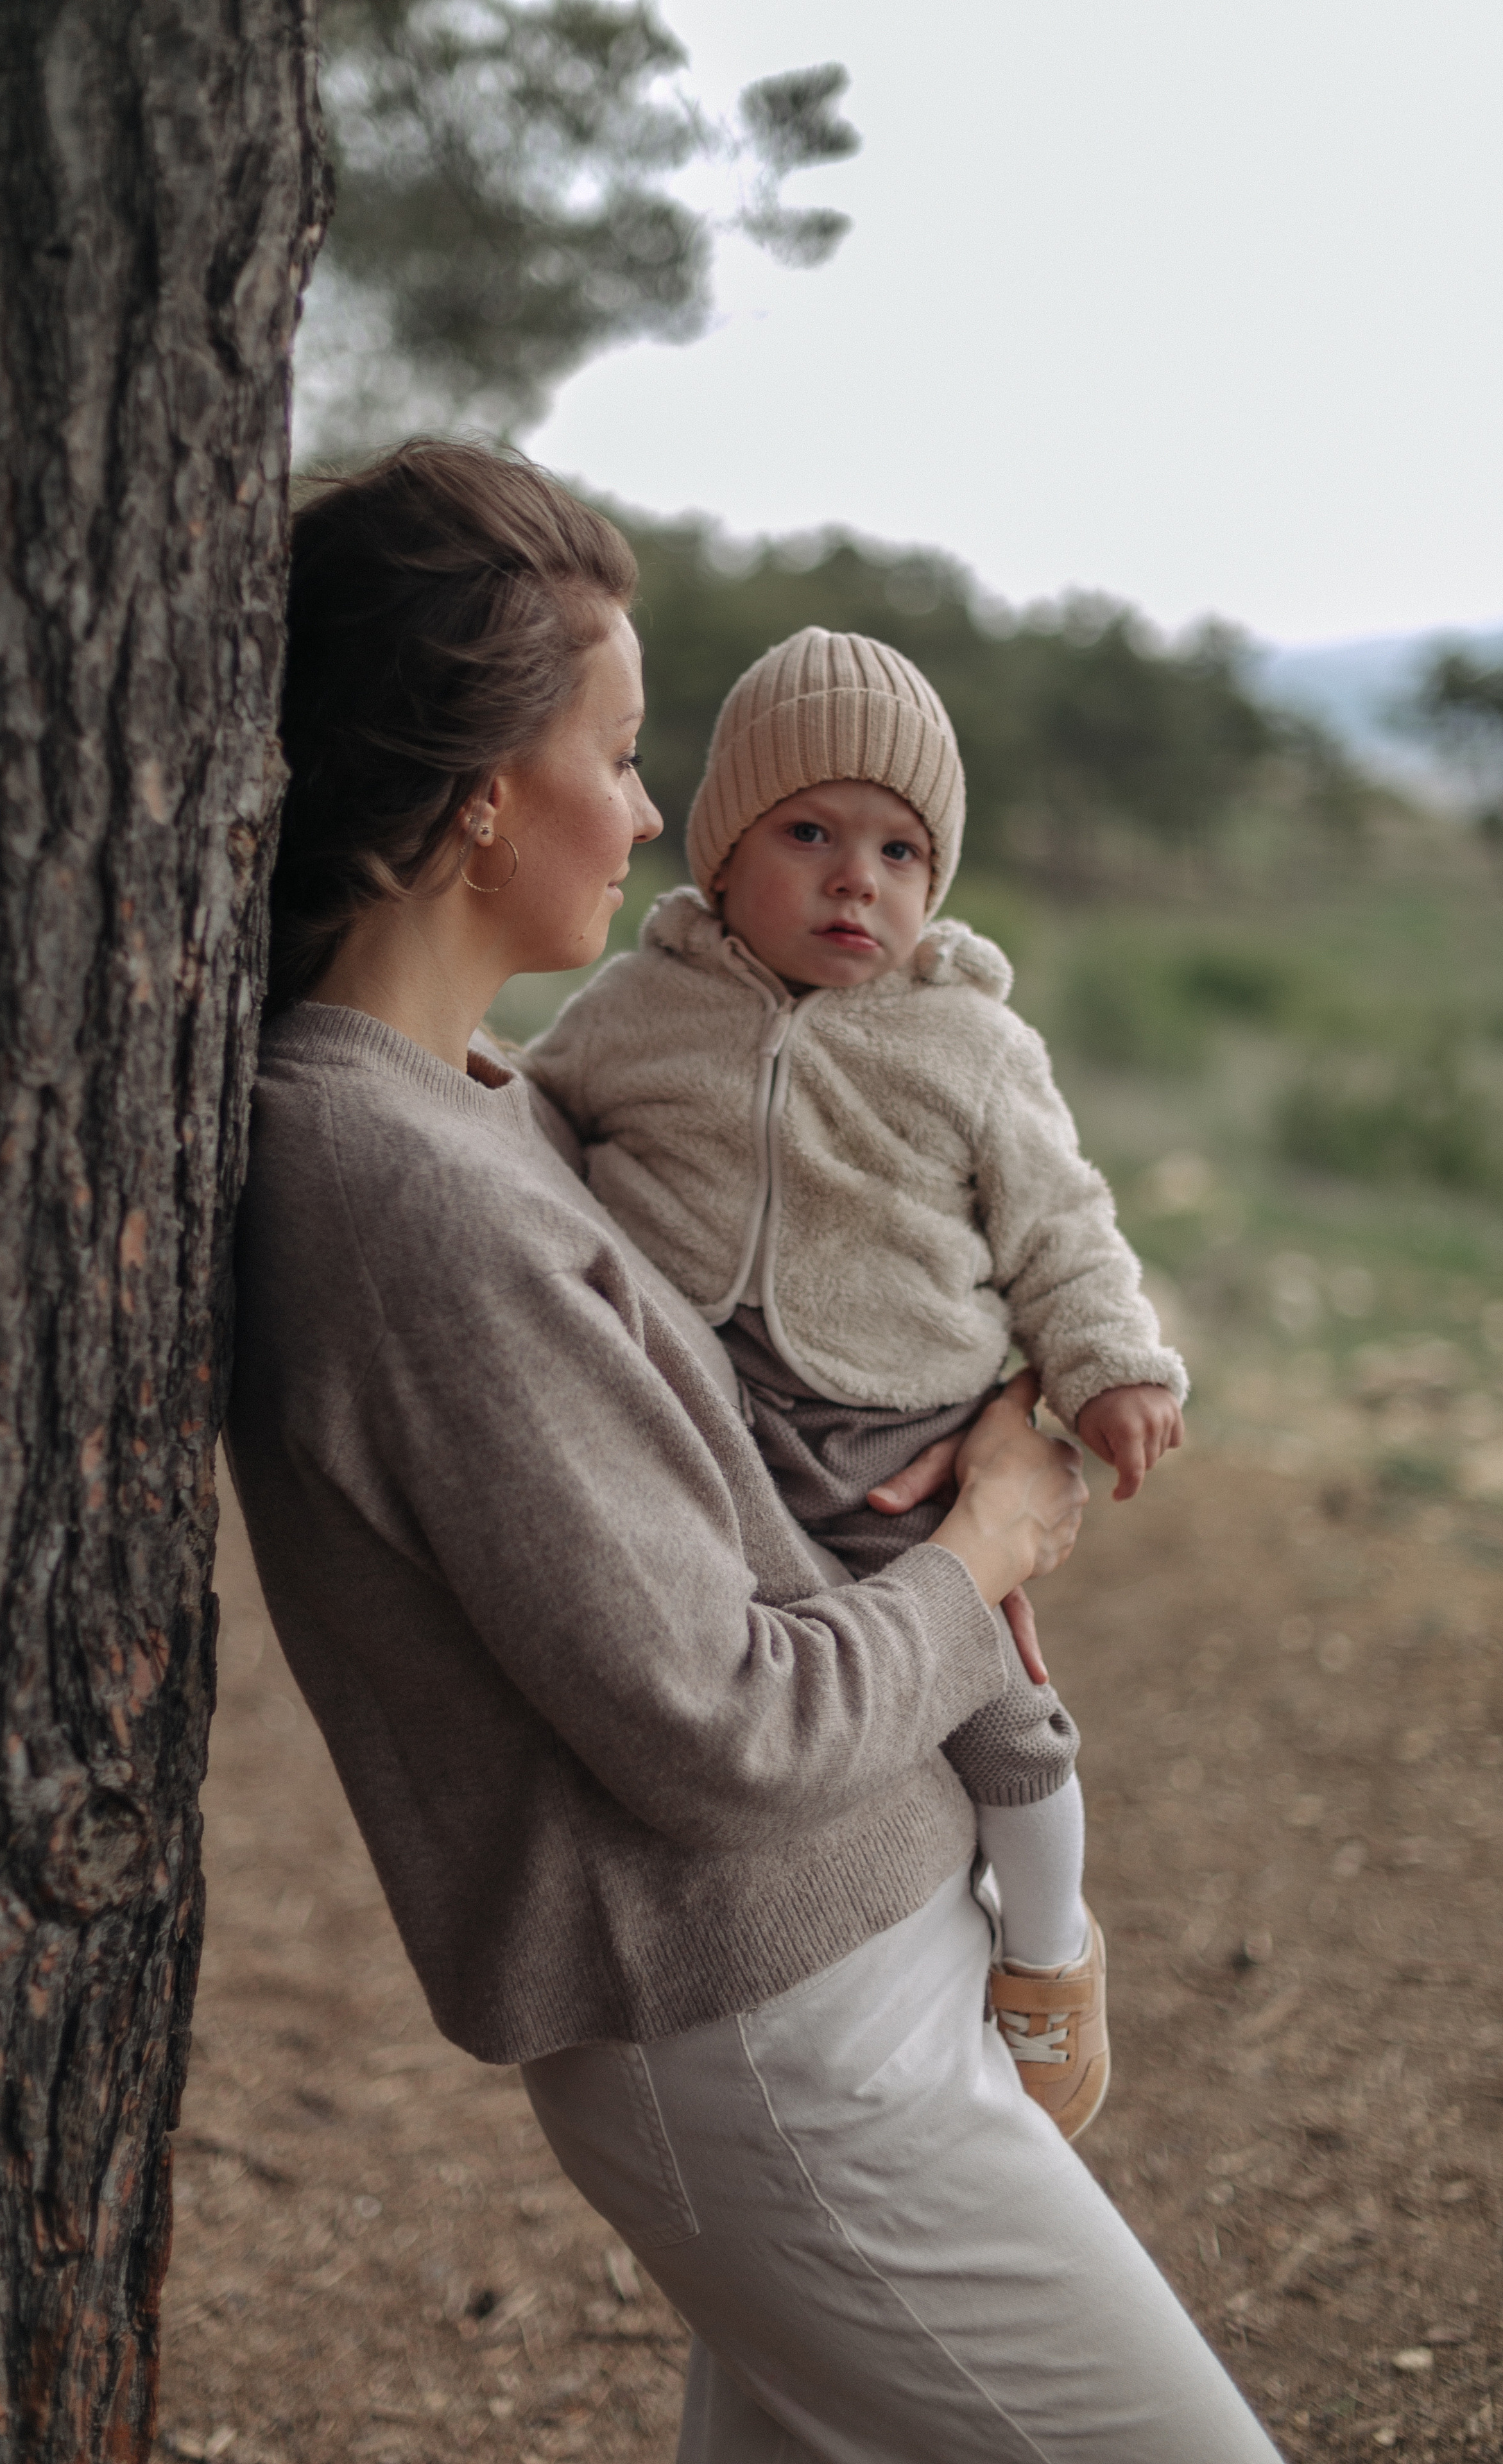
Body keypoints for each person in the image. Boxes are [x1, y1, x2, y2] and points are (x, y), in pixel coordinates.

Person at [227, 436, 1282, 2463]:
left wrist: (993, 1392)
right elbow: (712, 1724)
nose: (646, 813)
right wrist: (990, 1540)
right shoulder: (385, 1182)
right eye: (619, 754)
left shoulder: (490, 1108)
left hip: (845, 1977)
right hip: (782, 2039)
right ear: (471, 792)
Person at [522, 626, 1186, 2134]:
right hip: (712, 1415)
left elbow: (1061, 1227)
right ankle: (829, 1933)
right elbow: (538, 1109)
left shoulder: (968, 1044)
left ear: (934, 880)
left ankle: (1045, 1949)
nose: (853, 880)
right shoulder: (643, 1006)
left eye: (898, 850)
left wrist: (1105, 1368)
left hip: (905, 1429)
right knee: (752, 1684)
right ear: (720, 851)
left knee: (998, 1715)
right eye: (807, 835)